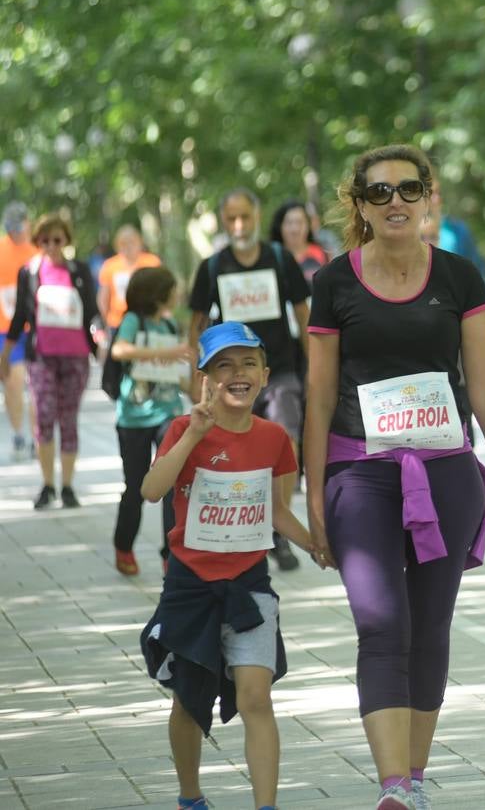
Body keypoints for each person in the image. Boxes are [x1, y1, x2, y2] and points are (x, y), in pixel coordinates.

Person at [304, 144, 485, 810]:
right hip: (359, 473)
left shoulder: (459, 278)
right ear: (359, 206)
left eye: (407, 189)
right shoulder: (334, 283)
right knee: (381, 624)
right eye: (379, 192)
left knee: (430, 628)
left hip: (446, 471)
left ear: (430, 198)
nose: (395, 202)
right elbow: (317, 397)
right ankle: (392, 786)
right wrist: (313, 498)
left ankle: (416, 779)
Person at [139, 322, 314, 810]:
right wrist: (194, 432)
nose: (237, 373)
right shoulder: (182, 428)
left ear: (264, 375)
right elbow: (152, 491)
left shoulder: (276, 438)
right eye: (224, 365)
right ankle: (191, 797)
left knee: (256, 695)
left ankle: (266, 806)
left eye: (248, 364)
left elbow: (279, 511)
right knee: (189, 703)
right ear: (205, 378)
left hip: (249, 585)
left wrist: (317, 545)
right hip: (190, 585)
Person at [188, 188, 311, 572]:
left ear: (256, 218)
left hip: (280, 369)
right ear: (224, 222)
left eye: (245, 217)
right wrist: (197, 382)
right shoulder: (212, 267)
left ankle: (278, 525)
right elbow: (194, 326)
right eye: (231, 218)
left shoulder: (279, 259)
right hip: (232, 376)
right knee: (235, 450)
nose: (239, 225)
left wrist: (319, 368)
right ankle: (241, 528)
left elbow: (305, 316)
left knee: (286, 438)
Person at [1, 213, 99, 509]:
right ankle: (47, 484)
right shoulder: (29, 272)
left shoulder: (79, 271)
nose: (51, 245)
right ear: (38, 241)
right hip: (41, 356)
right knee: (43, 416)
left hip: (75, 357)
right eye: (45, 240)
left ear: (66, 241)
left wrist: (101, 344)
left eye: (57, 240)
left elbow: (92, 312)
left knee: (68, 420)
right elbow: (20, 315)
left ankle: (67, 485)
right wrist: (6, 352)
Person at [109, 266, 193, 575]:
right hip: (133, 418)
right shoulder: (134, 320)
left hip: (167, 414)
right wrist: (170, 352)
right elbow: (119, 349)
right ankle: (123, 544)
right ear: (158, 292)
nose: (176, 293)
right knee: (136, 486)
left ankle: (171, 553)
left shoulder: (170, 325)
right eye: (171, 288)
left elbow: (179, 377)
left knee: (172, 480)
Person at [0, 202, 38, 461]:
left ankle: (38, 436)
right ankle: (18, 434)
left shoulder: (37, 251)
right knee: (13, 384)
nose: (17, 232)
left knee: (36, 385)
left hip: (34, 329)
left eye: (20, 226)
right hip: (4, 331)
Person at [97, 224, 162, 332]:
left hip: (148, 321)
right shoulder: (110, 266)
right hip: (118, 322)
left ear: (140, 242)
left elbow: (162, 291)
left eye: (132, 242)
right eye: (123, 243)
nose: (128, 246)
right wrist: (107, 319)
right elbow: (103, 297)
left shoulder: (152, 262)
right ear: (117, 245)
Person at [269, 200, 329, 282]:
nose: (295, 229)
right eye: (289, 223)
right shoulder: (272, 256)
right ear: (279, 226)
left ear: (308, 225)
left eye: (300, 222)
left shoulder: (320, 253)